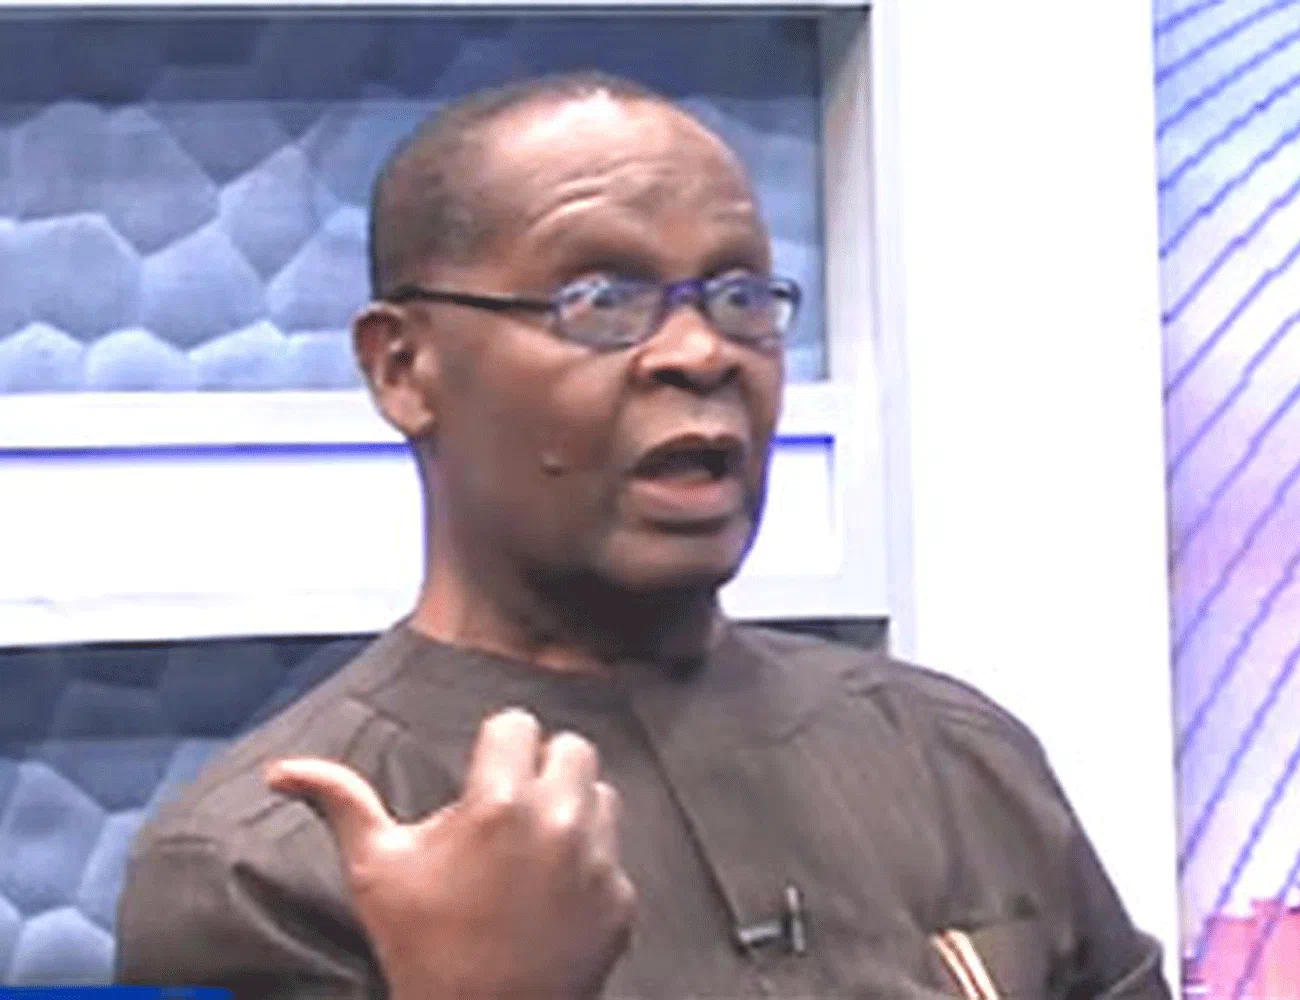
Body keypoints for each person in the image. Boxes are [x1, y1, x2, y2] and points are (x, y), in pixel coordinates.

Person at [115, 72, 1172, 1000]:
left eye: (739, 294)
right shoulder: (262, 870)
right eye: (600, 298)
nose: (701, 352)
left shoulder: (954, 755)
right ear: (403, 367)